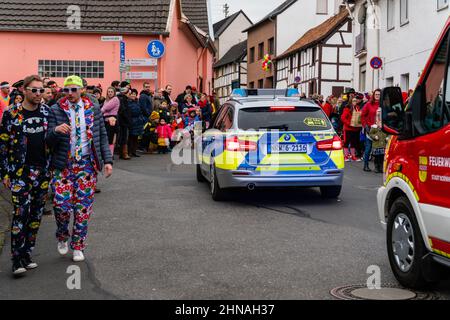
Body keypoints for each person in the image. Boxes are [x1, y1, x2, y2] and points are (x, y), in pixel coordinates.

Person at [46, 75, 113, 263]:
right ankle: (62, 235)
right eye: (66, 90)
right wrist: (55, 130)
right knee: (61, 206)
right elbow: (48, 140)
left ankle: (78, 245)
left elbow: (102, 137)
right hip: (63, 165)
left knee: (83, 208)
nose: (70, 93)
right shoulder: (55, 109)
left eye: (74, 89)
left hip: (86, 164)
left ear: (82, 90)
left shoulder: (93, 109)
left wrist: (107, 161)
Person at [0, 75, 51, 276]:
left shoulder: (47, 112)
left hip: (43, 171)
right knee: (21, 214)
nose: (38, 94)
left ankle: (28, 253)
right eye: (34, 90)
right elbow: (3, 143)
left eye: (41, 90)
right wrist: (4, 171)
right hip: (20, 172)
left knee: (36, 214)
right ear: (24, 90)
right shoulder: (12, 113)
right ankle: (16, 258)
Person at [361, 89, 381, 172]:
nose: (377, 96)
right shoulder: (368, 104)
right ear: (373, 95)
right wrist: (365, 126)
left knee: (379, 148)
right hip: (370, 128)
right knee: (368, 148)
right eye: (376, 94)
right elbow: (362, 115)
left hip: (379, 129)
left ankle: (377, 167)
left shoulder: (383, 104)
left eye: (379, 94)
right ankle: (365, 165)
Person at [341, 97, 362, 162]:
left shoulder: (357, 108)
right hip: (348, 128)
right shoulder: (347, 108)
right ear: (351, 101)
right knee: (346, 142)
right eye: (353, 101)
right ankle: (346, 156)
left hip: (355, 128)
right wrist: (349, 123)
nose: (355, 102)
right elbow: (343, 118)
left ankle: (353, 156)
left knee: (354, 143)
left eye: (355, 101)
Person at [101, 87, 120, 157]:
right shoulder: (107, 100)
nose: (110, 93)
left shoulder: (115, 99)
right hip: (106, 119)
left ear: (114, 92)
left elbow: (105, 108)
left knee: (110, 138)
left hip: (112, 119)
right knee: (107, 137)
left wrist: (99, 112)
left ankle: (110, 154)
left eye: (111, 91)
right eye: (108, 91)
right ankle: (108, 154)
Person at [369, 108, 388, 173]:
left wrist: (387, 137)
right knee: (377, 157)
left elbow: (388, 133)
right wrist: (374, 136)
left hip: (383, 145)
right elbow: (370, 134)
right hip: (376, 145)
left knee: (382, 157)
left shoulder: (384, 127)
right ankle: (376, 167)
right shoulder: (374, 127)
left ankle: (381, 167)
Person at [127, 89, 145, 157]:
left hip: (138, 121)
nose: (133, 95)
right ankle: (129, 152)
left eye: (134, 94)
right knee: (131, 137)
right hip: (132, 121)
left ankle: (134, 151)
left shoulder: (137, 102)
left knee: (136, 137)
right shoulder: (128, 102)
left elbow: (140, 111)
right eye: (132, 94)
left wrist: (141, 119)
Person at [117, 81, 132, 160]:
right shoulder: (122, 99)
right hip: (123, 121)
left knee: (123, 136)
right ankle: (124, 153)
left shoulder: (123, 98)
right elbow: (123, 110)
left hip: (123, 120)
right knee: (124, 137)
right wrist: (128, 119)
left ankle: (122, 153)